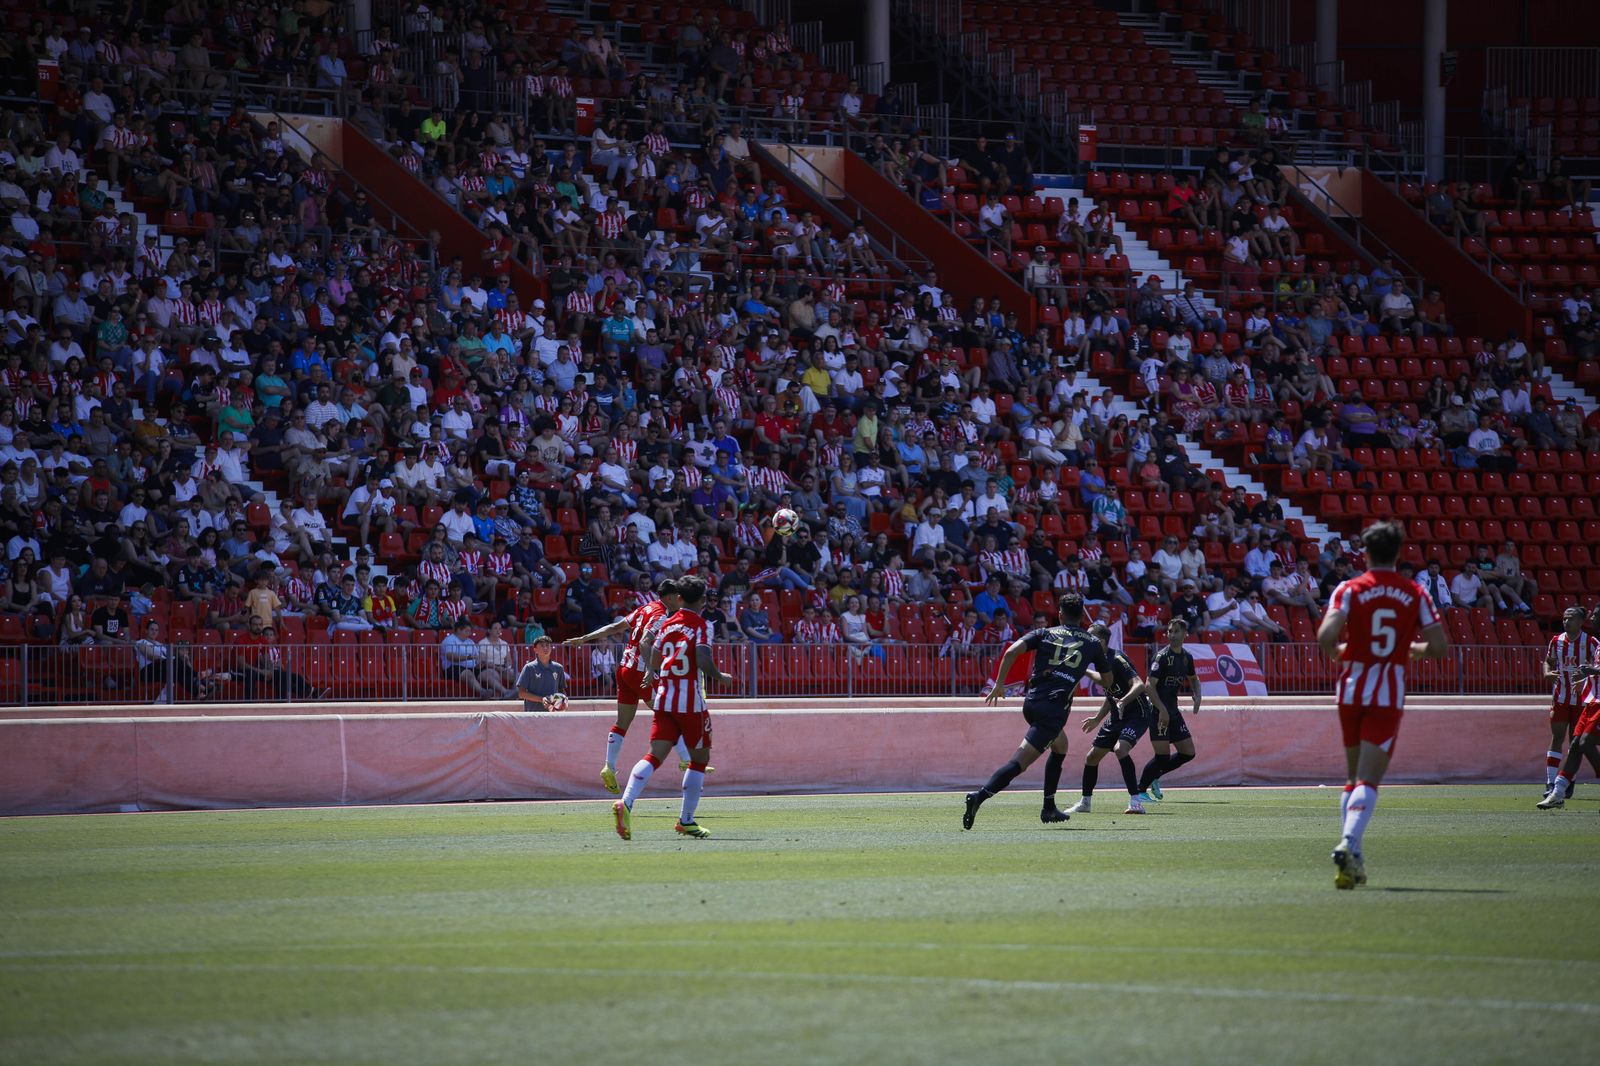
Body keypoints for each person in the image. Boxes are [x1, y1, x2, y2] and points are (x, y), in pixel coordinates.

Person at [1318, 520, 1448, 887]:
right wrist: (1407, 650)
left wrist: (1340, 652)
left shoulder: (1349, 588)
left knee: (1351, 776)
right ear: (1399, 552)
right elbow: (1439, 647)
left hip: (1351, 687)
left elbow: (1326, 636)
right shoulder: (1416, 592)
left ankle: (1354, 857)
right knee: (1369, 779)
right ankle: (1348, 842)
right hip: (1387, 691)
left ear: (1365, 551)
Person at [962, 593, 1108, 830]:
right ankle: (979, 796)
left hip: (1032, 703)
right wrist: (1085, 669)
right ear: (1082, 616)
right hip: (1052, 710)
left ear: (1059, 614)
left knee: (1061, 746)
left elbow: (1011, 652)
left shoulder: (1045, 633)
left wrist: (999, 684)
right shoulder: (1091, 643)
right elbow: (1107, 679)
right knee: (1019, 763)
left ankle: (1049, 806)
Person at [613, 576, 734, 840]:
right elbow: (702, 658)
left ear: (678, 598)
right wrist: (719, 676)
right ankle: (686, 820)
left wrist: (657, 670)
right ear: (702, 601)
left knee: (654, 755)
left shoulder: (667, 624)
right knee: (699, 760)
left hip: (664, 698)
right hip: (690, 702)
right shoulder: (702, 625)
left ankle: (627, 802)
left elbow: (655, 658)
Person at [566, 578, 692, 793]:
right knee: (668, 713)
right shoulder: (660, 615)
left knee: (623, 722)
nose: (681, 601)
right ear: (670, 597)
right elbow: (644, 642)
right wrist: (651, 671)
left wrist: (584, 638)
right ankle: (686, 760)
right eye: (678, 596)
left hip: (624, 669)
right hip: (638, 671)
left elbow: (615, 627)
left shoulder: (645, 608)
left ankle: (609, 766)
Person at [1069, 622, 1153, 816]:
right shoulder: (1099, 660)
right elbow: (1110, 693)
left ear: (1101, 640)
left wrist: (1123, 701)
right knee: (1092, 757)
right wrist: (1098, 719)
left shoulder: (1117, 658)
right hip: (1117, 717)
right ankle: (1085, 802)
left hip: (1137, 714)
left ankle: (1136, 802)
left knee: (1120, 748)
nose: (1087, 640)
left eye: (1091, 637)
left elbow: (1140, 685)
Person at [1132, 619, 1202, 804]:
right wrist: (1161, 709)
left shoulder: (1187, 657)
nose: (1172, 635)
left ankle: (1156, 775)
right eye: (1170, 631)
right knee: (1162, 756)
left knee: (1188, 752)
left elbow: (1194, 678)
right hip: (1158, 711)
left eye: (1176, 631)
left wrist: (1198, 695)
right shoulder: (1161, 657)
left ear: (1185, 633)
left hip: (1173, 711)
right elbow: (1149, 686)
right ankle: (1139, 791)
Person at [1539, 607, 1600, 803]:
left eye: (1571, 619)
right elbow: (1548, 661)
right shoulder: (1557, 641)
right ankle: (1552, 784)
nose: (1566, 622)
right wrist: (1547, 673)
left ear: (1581, 622)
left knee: (1579, 742)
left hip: (1583, 700)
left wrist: (1587, 675)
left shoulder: (1591, 642)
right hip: (1561, 696)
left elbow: (1595, 668)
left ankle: (1566, 783)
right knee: (1562, 739)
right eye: (1564, 619)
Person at [515, 634, 570, 711]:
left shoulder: (558, 668)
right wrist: (542, 699)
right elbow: (521, 693)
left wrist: (563, 703)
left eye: (547, 645)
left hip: (553, 715)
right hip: (533, 714)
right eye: (542, 646)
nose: (545, 648)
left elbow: (562, 691)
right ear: (535, 649)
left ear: (551, 648)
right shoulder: (529, 668)